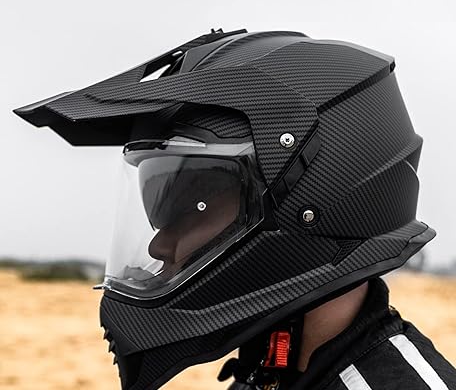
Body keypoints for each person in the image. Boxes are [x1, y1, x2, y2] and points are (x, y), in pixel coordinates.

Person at [15, 28, 456, 389]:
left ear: (310, 206)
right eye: (163, 210)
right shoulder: (271, 370)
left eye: (197, 204)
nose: (158, 245)